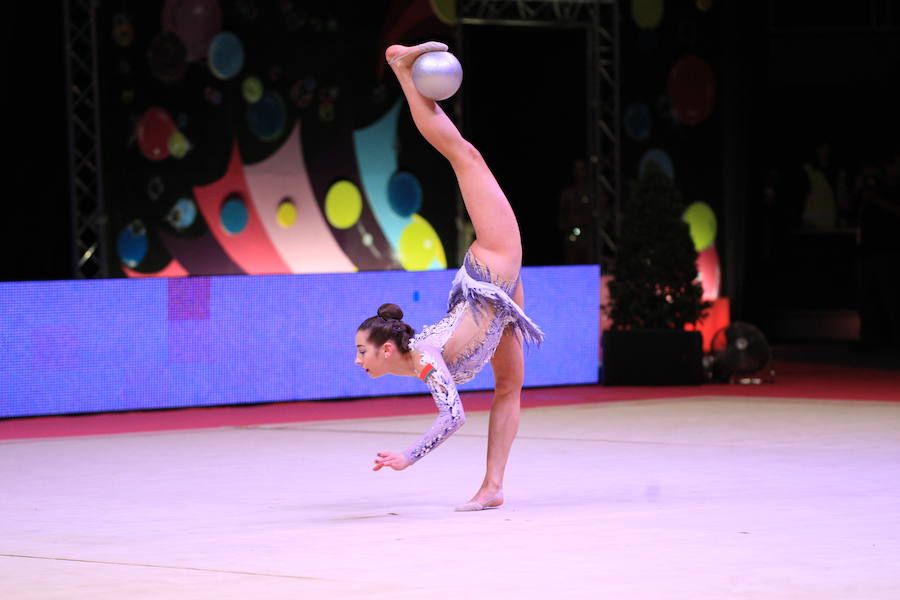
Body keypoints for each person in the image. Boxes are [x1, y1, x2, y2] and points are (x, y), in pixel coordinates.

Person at [354, 42, 544, 511]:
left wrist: (408, 457)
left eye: (361, 351)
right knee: (508, 387)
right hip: (497, 302)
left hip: (492, 263)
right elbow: (455, 408)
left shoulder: (423, 356)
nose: (358, 360)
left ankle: (401, 70)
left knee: (466, 157)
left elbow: (453, 414)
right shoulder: (420, 360)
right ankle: (493, 487)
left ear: (386, 349)